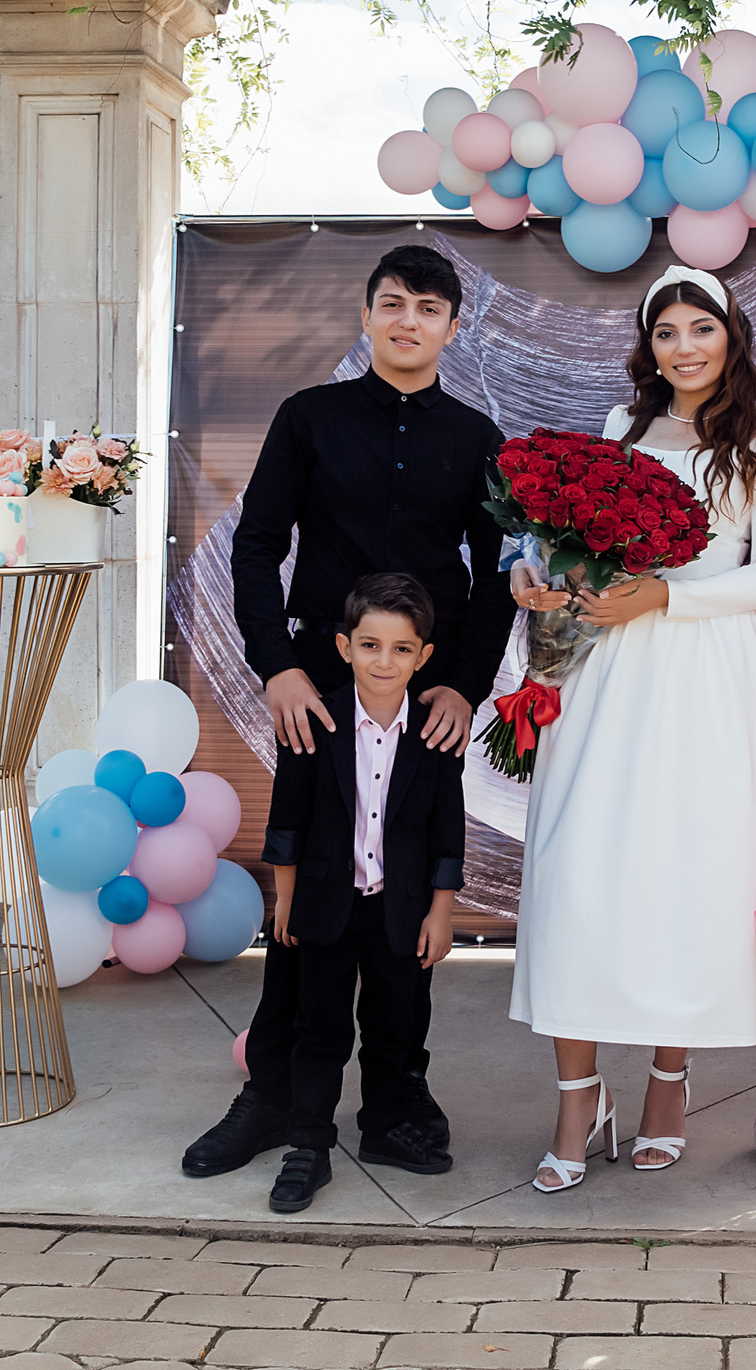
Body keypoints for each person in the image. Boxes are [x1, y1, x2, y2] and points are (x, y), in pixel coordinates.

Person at [188, 243, 508, 1182]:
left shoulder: (477, 438)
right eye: (393, 304)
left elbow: (496, 574)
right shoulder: (308, 419)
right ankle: (275, 1097)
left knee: (407, 898)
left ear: (454, 327)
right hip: (322, 686)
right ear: (365, 317)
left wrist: (465, 684)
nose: (409, 321)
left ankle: (399, 1104)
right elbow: (255, 547)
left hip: (426, 686)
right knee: (307, 903)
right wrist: (278, 669)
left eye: (429, 308)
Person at [505, 264, 756, 1192]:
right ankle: (578, 1096)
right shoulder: (618, 430)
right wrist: (544, 574)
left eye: (700, 329)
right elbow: (574, 544)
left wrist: (664, 599)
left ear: (730, 337)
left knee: (688, 875)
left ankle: (668, 1084)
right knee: (578, 871)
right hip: (605, 670)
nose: (684, 347)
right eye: (667, 332)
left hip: (707, 669)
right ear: (650, 345)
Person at [253, 573, 467, 1213]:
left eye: (402, 649)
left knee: (395, 1028)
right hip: (325, 906)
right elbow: (285, 819)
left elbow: (446, 831)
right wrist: (283, 898)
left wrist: (441, 912)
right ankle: (308, 1145)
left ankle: (385, 1128)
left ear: (425, 656)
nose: (385, 661)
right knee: (318, 1030)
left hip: (400, 912)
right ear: (344, 646)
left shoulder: (434, 731)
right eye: (370, 645)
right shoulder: (314, 722)